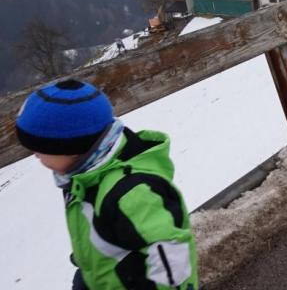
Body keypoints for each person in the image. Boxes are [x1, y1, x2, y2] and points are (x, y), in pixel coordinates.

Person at [15, 79, 199, 289]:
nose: (35, 155)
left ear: (69, 147)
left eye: (39, 148)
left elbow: (173, 262)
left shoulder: (132, 192)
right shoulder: (81, 178)